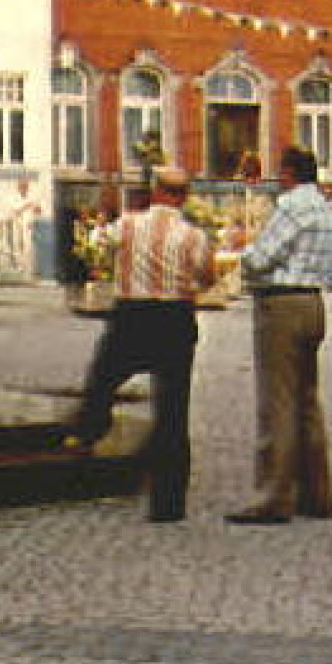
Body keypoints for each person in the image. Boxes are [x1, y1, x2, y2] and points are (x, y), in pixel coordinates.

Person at [65, 167, 215, 523]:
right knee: (173, 411)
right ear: (183, 196)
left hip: (132, 316)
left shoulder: (129, 225)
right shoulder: (194, 236)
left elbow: (96, 245)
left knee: (103, 379)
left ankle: (90, 429)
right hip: (175, 319)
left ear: (156, 191)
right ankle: (168, 503)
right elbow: (207, 277)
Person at [228, 146, 332, 526]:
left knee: (276, 401)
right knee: (307, 400)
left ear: (290, 173)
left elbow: (262, 258)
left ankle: (273, 496)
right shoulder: (325, 209)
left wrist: (238, 253)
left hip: (282, 305)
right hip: (313, 303)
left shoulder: (292, 206)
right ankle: (317, 492)